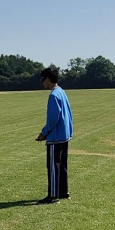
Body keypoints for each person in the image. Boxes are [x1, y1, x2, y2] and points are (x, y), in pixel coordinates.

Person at [36, 67, 73, 204]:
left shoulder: (53, 95)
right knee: (62, 165)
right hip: (65, 136)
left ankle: (53, 196)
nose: (41, 82)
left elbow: (53, 119)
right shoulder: (62, 92)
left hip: (56, 137)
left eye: (42, 79)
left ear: (48, 79)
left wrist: (43, 133)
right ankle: (63, 192)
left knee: (53, 166)